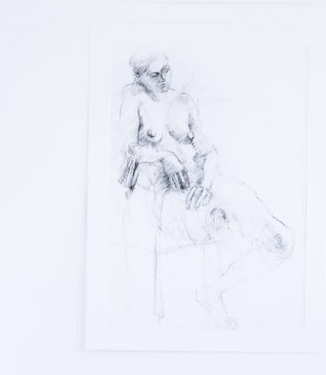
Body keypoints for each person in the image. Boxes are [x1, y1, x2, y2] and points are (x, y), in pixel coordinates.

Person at [116, 52, 294, 328]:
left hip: (202, 183)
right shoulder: (134, 99)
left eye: (166, 71)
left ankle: (213, 291)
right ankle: (199, 304)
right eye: (154, 74)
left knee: (281, 241)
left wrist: (205, 185)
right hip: (164, 196)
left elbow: (208, 152)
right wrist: (166, 157)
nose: (163, 79)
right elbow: (129, 149)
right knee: (216, 222)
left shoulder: (183, 101)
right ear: (139, 77)